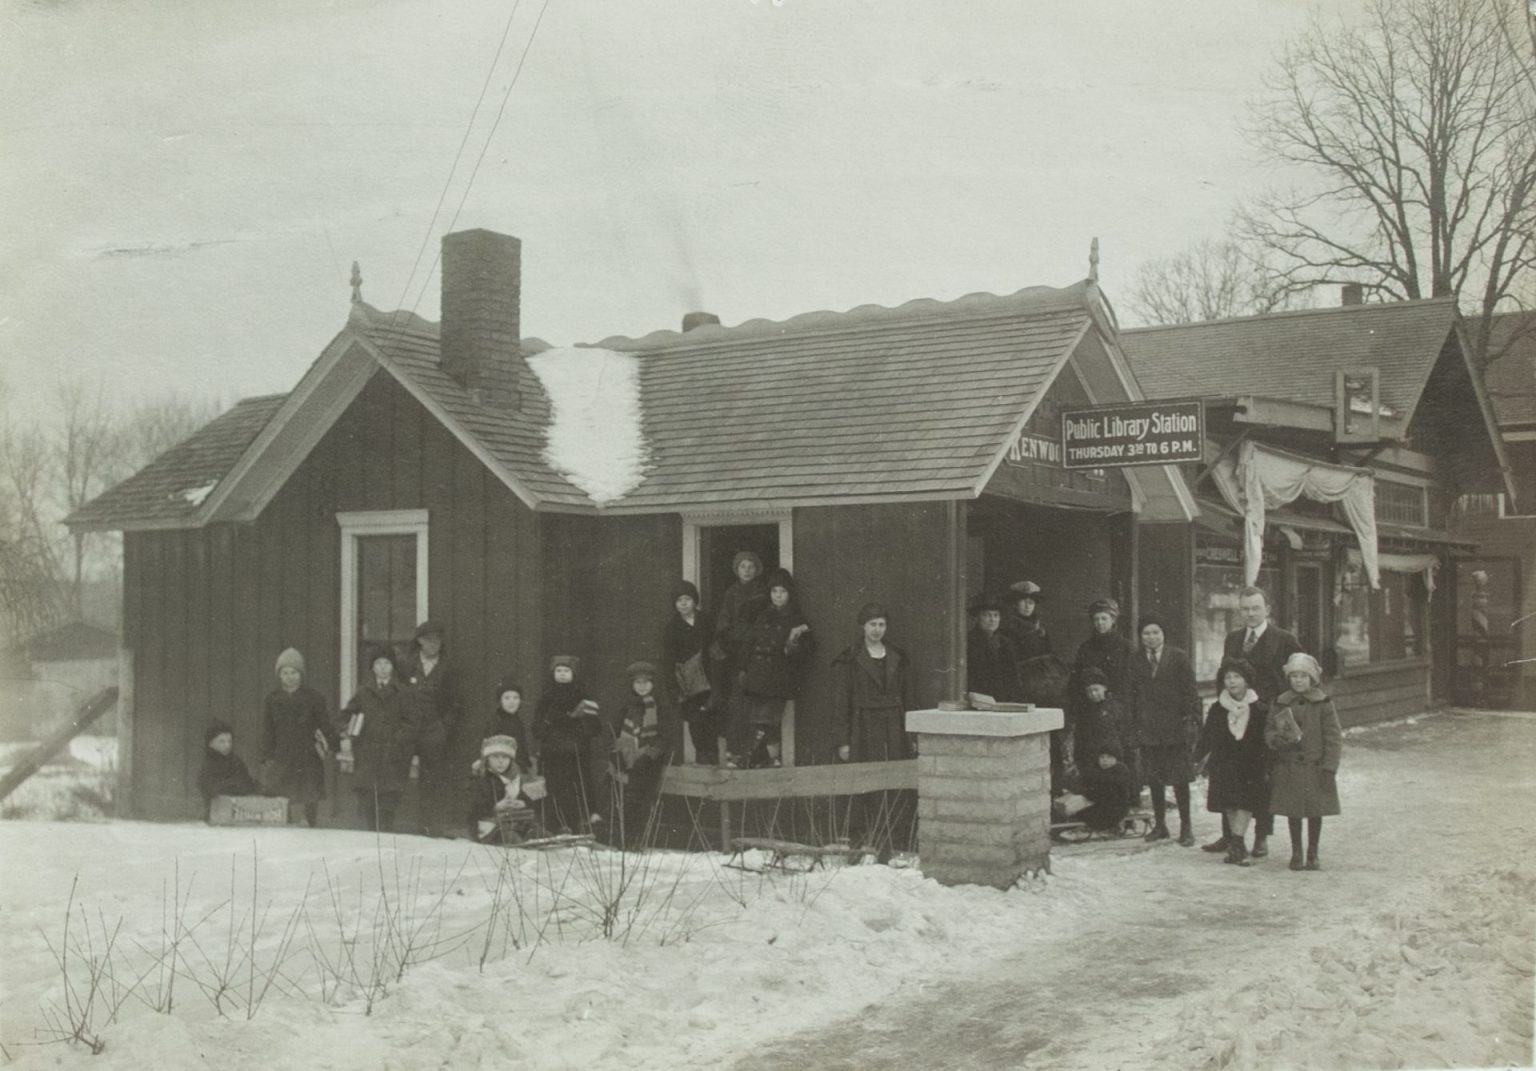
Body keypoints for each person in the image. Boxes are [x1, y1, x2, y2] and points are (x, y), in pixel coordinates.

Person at [1205, 587, 1303, 858]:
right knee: (1228, 773)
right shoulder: (1234, 638)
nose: (1250, 613)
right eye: (1245, 608)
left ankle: (1261, 835)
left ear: (1267, 609)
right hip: (1234, 716)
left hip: (1265, 719)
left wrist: (1284, 714)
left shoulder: (1283, 639)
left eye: (1255, 608)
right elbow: (1224, 675)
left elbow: (1297, 678)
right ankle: (1230, 835)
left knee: (1261, 776)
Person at [1129, 613, 1201, 846]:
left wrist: (1191, 721)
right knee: (1155, 780)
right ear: (1141, 637)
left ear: (1163, 634)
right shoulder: (1135, 660)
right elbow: (1131, 695)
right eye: (1146, 633)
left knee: (1180, 780)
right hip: (1148, 729)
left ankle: (1186, 827)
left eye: (1155, 632)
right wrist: (1134, 727)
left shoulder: (1178, 657)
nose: (1151, 637)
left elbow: (1190, 691)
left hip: (1174, 729)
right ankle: (1160, 825)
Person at [1266, 652, 1342, 872]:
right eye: (1294, 676)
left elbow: (1333, 738)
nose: (1298, 680)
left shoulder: (1323, 703)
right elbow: (1269, 729)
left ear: (1312, 679)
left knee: (1314, 811)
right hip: (1289, 767)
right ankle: (1296, 852)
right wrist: (1276, 740)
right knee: (1293, 811)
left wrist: (1329, 768)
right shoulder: (1281, 702)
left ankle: (1313, 852)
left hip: (1315, 767)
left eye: (1303, 676)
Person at [732, 568, 813, 768]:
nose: (778, 596)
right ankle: (764, 758)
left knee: (767, 720)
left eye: (782, 592)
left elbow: (808, 648)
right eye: (774, 591)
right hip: (757, 675)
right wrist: (743, 668)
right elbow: (749, 642)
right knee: (756, 719)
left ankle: (766, 757)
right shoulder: (763, 615)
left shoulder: (796, 618)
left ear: (789, 594)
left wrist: (794, 645)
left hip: (778, 677)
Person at [1194, 658, 1270, 866]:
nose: (1232, 681)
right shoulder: (1218, 708)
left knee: (1244, 803)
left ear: (1247, 681)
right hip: (1224, 761)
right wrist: (1196, 758)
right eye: (1227, 677)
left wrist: (1266, 764)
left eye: (1237, 677)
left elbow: (1266, 739)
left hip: (1250, 763)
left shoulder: (1260, 708)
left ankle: (1237, 844)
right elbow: (1208, 735)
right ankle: (1238, 844)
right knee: (1229, 803)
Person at [339, 647, 420, 834]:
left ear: (392, 667)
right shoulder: (364, 692)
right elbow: (348, 714)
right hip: (368, 753)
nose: (383, 668)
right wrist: (344, 729)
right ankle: (371, 836)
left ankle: (386, 835)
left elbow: (412, 721)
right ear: (372, 668)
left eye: (386, 663)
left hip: (393, 754)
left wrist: (398, 740)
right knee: (368, 797)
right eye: (378, 664)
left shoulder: (403, 692)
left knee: (389, 798)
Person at [260, 647, 336, 828]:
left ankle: (311, 825)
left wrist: (333, 742)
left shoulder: (314, 698)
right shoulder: (273, 699)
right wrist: (266, 755)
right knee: (282, 794)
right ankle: (285, 828)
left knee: (309, 794)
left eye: (294, 672)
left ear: (301, 674)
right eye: (285, 673)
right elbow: (268, 729)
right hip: (283, 755)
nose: (289, 677)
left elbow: (325, 725)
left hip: (307, 755)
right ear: (279, 675)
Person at [831, 602, 914, 763]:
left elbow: (908, 698)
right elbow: (841, 702)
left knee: (894, 772)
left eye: (881, 625)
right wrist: (843, 742)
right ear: (863, 626)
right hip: (863, 725)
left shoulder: (898, 657)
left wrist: (912, 736)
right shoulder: (850, 658)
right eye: (872, 624)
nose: (877, 630)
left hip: (894, 725)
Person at [405, 620, 465, 838]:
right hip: (409, 729)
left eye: (438, 640)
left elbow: (457, 703)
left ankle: (429, 826)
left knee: (432, 778)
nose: (434, 645)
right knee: (399, 772)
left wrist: (443, 727)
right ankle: (401, 824)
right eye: (429, 640)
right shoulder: (408, 665)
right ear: (419, 641)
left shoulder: (448, 667)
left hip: (434, 730)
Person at [532, 655, 603, 834]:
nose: (562, 674)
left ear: (573, 673)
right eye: (559, 671)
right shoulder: (547, 696)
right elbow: (536, 725)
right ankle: (553, 826)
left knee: (576, 789)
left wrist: (580, 728)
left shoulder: (582, 694)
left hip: (576, 754)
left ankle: (576, 825)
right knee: (553, 788)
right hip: (553, 755)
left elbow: (595, 726)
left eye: (566, 671)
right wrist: (547, 730)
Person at [1069, 597, 1137, 785]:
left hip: (1117, 710)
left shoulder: (1125, 647)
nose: (1100, 623)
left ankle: (1125, 795)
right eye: (1096, 619)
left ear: (1113, 620)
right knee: (1090, 751)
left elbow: (1131, 681)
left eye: (1104, 619)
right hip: (1089, 708)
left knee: (1118, 751)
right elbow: (1076, 680)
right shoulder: (1086, 648)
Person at [609, 660, 672, 848]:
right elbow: (617, 730)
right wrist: (620, 753)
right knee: (624, 798)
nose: (642, 686)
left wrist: (648, 756)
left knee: (641, 799)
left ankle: (637, 840)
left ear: (653, 684)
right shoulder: (627, 706)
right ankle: (622, 840)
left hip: (649, 762)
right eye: (638, 683)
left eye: (646, 682)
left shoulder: (660, 707)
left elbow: (665, 737)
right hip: (628, 759)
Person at [662, 580, 718, 764]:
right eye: (679, 601)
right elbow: (668, 662)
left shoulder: (707, 621)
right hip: (688, 684)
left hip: (710, 680)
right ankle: (704, 760)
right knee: (696, 722)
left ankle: (717, 761)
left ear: (695, 601)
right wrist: (674, 690)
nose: (684, 604)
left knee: (713, 720)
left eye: (687, 599)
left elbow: (717, 649)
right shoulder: (671, 629)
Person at [710, 550, 769, 718]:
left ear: (757, 570)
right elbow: (724, 616)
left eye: (751, 567)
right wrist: (725, 634)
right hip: (734, 641)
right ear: (737, 569)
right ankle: (716, 696)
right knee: (717, 655)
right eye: (743, 566)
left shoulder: (762, 591)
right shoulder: (732, 592)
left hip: (753, 641)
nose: (747, 570)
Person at [467, 735, 537, 844]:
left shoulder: (514, 779)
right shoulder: (481, 779)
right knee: (509, 836)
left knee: (533, 828)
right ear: (487, 759)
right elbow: (473, 807)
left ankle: (541, 836)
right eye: (495, 757)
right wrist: (495, 806)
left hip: (513, 820)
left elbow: (525, 797)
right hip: (490, 826)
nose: (501, 761)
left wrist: (522, 803)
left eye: (505, 758)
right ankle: (522, 842)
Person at [197, 720, 259, 822]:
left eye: (229, 741)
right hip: (217, 815)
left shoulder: (237, 762)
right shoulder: (208, 765)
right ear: (211, 743)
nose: (227, 745)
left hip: (241, 813)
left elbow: (248, 784)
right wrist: (234, 786)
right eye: (222, 741)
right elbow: (211, 788)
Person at [966, 594, 1022, 702]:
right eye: (987, 615)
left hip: (1006, 700)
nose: (992, 620)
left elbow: (1014, 676)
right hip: (981, 700)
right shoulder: (969, 641)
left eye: (996, 615)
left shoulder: (1006, 643)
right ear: (978, 618)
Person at [477, 678, 533, 777]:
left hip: (517, 769)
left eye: (516, 698)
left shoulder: (518, 721)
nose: (512, 701)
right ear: (500, 701)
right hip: (502, 769)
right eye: (507, 698)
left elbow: (521, 745)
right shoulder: (496, 721)